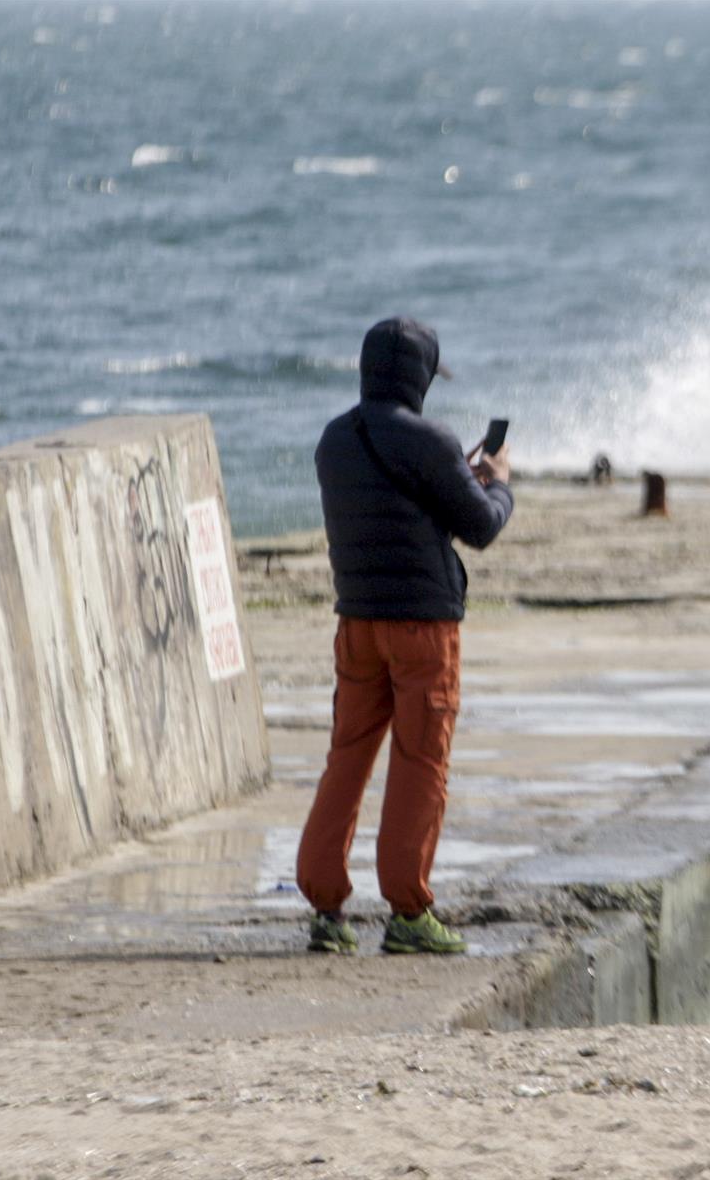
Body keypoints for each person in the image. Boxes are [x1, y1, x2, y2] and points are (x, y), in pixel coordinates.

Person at [295, 317, 513, 954]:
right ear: (420, 377)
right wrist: (497, 483)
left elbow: (391, 511)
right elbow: (480, 528)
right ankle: (409, 912)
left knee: (348, 757)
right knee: (421, 762)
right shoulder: (430, 439)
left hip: (356, 622)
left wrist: (453, 477)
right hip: (423, 628)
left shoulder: (334, 439)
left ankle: (326, 910)